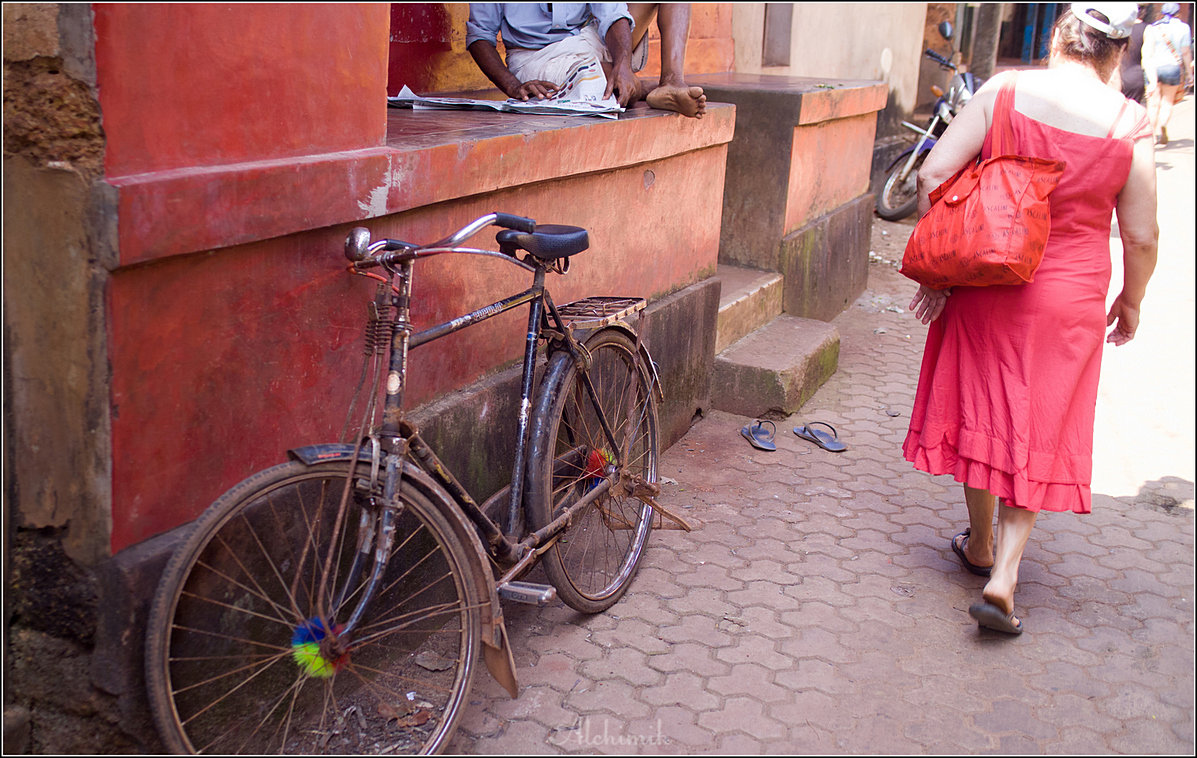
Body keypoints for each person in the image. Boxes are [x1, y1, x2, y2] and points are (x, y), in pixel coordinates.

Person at [904, 3, 1158, 635]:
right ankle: (1003, 574)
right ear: (1114, 54)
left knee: (984, 409)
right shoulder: (1130, 123)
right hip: (1068, 298)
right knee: (1040, 422)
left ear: (1058, 40)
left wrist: (944, 267)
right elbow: (1143, 235)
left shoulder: (1006, 89)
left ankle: (982, 543)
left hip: (989, 279)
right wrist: (1131, 299)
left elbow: (936, 171)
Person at [465, 3, 705, 118]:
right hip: (537, 57)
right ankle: (646, 90)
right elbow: (480, 37)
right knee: (604, 82)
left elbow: (612, 14)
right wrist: (512, 85)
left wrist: (623, 62)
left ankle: (672, 82)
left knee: (614, 74)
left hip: (587, 37)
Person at [1142, 2, 1193, 144]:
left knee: (1152, 103)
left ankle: (1151, 136)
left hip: (1154, 68)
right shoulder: (1184, 28)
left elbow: (1148, 52)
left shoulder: (1153, 28)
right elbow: (1186, 52)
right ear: (1178, 14)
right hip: (1172, 67)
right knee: (1167, 102)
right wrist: (1189, 73)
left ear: (1162, 13)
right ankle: (1162, 125)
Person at [1118, 3, 1149, 104]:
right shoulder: (1147, 29)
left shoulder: (1118, 27)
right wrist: (1151, 81)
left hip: (1116, 74)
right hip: (1135, 78)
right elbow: (1147, 58)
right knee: (1130, 112)